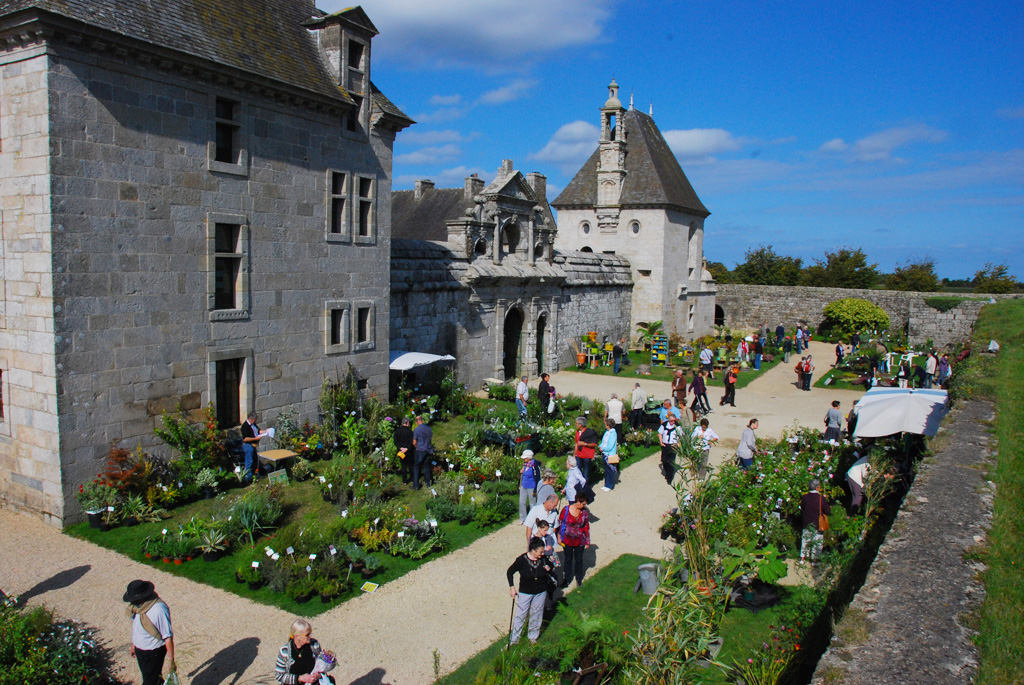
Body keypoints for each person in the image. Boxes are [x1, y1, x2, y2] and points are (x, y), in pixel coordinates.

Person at [124, 580, 175, 685]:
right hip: (140, 650)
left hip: (153, 651)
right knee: (152, 677)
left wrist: (171, 661)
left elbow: (167, 637)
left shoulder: (159, 609)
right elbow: (137, 626)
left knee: (149, 681)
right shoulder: (137, 608)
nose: (133, 602)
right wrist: (134, 644)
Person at [506, 538, 553, 646]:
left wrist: (548, 568)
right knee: (521, 615)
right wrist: (512, 587)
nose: (542, 554)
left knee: (536, 613)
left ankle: (533, 637)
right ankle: (514, 640)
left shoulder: (543, 558)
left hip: (540, 591)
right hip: (525, 592)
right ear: (533, 550)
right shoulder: (522, 560)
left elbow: (551, 565)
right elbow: (510, 572)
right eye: (540, 552)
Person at [274, 618, 336, 684]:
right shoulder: (285, 651)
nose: (310, 636)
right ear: (297, 636)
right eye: (307, 635)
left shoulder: (314, 645)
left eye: (310, 633)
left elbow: (322, 666)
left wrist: (318, 675)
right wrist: (299, 678)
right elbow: (279, 675)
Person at [558, 494, 591, 588]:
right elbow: (560, 523)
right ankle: (567, 579)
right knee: (568, 559)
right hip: (567, 540)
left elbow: (586, 526)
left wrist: (587, 541)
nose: (584, 506)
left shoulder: (584, 512)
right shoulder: (566, 510)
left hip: (579, 540)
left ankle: (578, 578)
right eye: (583, 504)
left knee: (579, 560)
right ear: (579, 502)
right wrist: (559, 537)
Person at [800, 479, 831, 565]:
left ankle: (803, 558)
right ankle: (814, 560)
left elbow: (802, 508)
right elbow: (827, 511)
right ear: (817, 488)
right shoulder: (821, 499)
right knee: (817, 541)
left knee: (805, 540)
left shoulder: (805, 497)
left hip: (806, 522)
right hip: (818, 523)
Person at [240, 412, 264, 482]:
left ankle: (256, 474)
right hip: (248, 446)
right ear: (251, 419)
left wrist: (266, 431)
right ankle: (248, 478)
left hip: (253, 445)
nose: (255, 421)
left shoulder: (253, 425)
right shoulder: (245, 426)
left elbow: (258, 431)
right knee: (249, 461)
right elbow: (245, 439)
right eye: (254, 420)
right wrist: (255, 439)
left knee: (255, 461)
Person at [518, 450, 541, 523]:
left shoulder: (535, 466)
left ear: (529, 458)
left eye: (525, 458)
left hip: (531, 487)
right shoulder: (524, 465)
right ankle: (522, 518)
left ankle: (533, 519)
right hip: (523, 486)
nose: (523, 459)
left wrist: (536, 489)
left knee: (532, 504)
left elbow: (538, 477)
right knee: (521, 502)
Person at [411, 414, 434, 490]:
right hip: (427, 449)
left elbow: (414, 442)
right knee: (427, 467)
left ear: (417, 422)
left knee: (416, 467)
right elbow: (430, 439)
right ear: (422, 420)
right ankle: (428, 483)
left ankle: (416, 485)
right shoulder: (429, 429)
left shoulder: (417, 430)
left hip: (420, 449)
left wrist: (416, 447)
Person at [658, 413, 681, 485]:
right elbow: (660, 433)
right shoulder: (664, 425)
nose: (673, 422)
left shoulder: (677, 426)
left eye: (674, 421)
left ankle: (669, 478)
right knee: (664, 461)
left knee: (671, 461)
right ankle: (667, 471)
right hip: (665, 445)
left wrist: (677, 443)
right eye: (671, 421)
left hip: (673, 446)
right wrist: (661, 442)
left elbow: (680, 436)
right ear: (669, 420)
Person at [573, 416, 599, 481]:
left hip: (587, 455)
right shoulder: (577, 432)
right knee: (577, 471)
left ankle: (586, 487)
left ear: (580, 425)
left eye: (576, 423)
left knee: (586, 472)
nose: (575, 425)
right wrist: (574, 455)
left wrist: (584, 444)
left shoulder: (590, 433)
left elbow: (594, 444)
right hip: (579, 455)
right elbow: (577, 443)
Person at [392, 417, 414, 484]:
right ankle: (412, 479)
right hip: (408, 451)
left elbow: (395, 441)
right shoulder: (410, 432)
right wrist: (407, 448)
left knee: (403, 465)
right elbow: (411, 442)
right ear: (407, 423)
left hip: (401, 450)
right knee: (410, 465)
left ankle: (404, 481)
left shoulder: (397, 431)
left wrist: (400, 448)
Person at [599, 418, 618, 492]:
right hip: (605, 453)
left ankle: (610, 485)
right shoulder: (607, 432)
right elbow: (603, 441)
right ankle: (606, 484)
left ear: (608, 425)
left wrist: (603, 448)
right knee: (606, 470)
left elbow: (610, 445)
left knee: (610, 470)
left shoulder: (613, 433)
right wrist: (600, 446)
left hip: (609, 454)